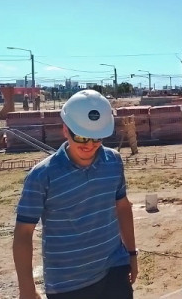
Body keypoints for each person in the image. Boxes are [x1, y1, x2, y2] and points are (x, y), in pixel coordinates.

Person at [13, 89, 137, 299]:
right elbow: (23, 233)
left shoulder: (113, 162)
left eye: (97, 138)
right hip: (67, 283)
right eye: (81, 137)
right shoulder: (42, 176)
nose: (89, 145)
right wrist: (27, 290)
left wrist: (131, 254)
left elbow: (123, 206)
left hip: (114, 267)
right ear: (65, 129)